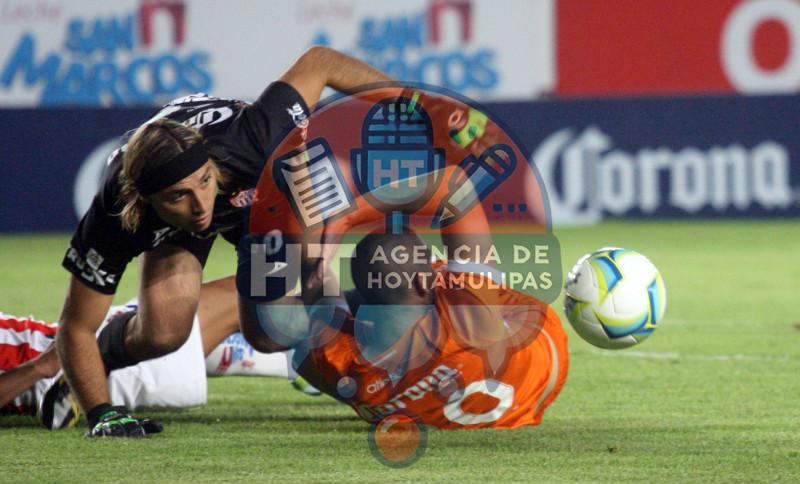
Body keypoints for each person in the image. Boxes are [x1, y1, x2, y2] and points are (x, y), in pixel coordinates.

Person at [56, 46, 391, 437]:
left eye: (202, 181)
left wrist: (417, 105)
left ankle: (384, 315)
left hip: (259, 199)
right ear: (144, 201)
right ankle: (102, 357)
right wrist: (102, 413)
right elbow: (75, 325)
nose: (200, 206)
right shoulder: (116, 214)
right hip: (182, 223)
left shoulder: (254, 138)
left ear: (210, 167)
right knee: (161, 334)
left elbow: (321, 62)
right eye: (179, 196)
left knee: (269, 331)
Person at [291, 232, 569, 429]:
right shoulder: (463, 314)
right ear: (424, 284)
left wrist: (320, 254)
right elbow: (457, 193)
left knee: (309, 349)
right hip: (540, 368)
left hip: (392, 372)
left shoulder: (335, 360)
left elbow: (318, 283)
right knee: (457, 273)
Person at [1, 278, 310, 433]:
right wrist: (39, 368)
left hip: (77, 347)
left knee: (202, 318)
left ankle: (305, 363)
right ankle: (339, 339)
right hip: (86, 373)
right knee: (246, 291)